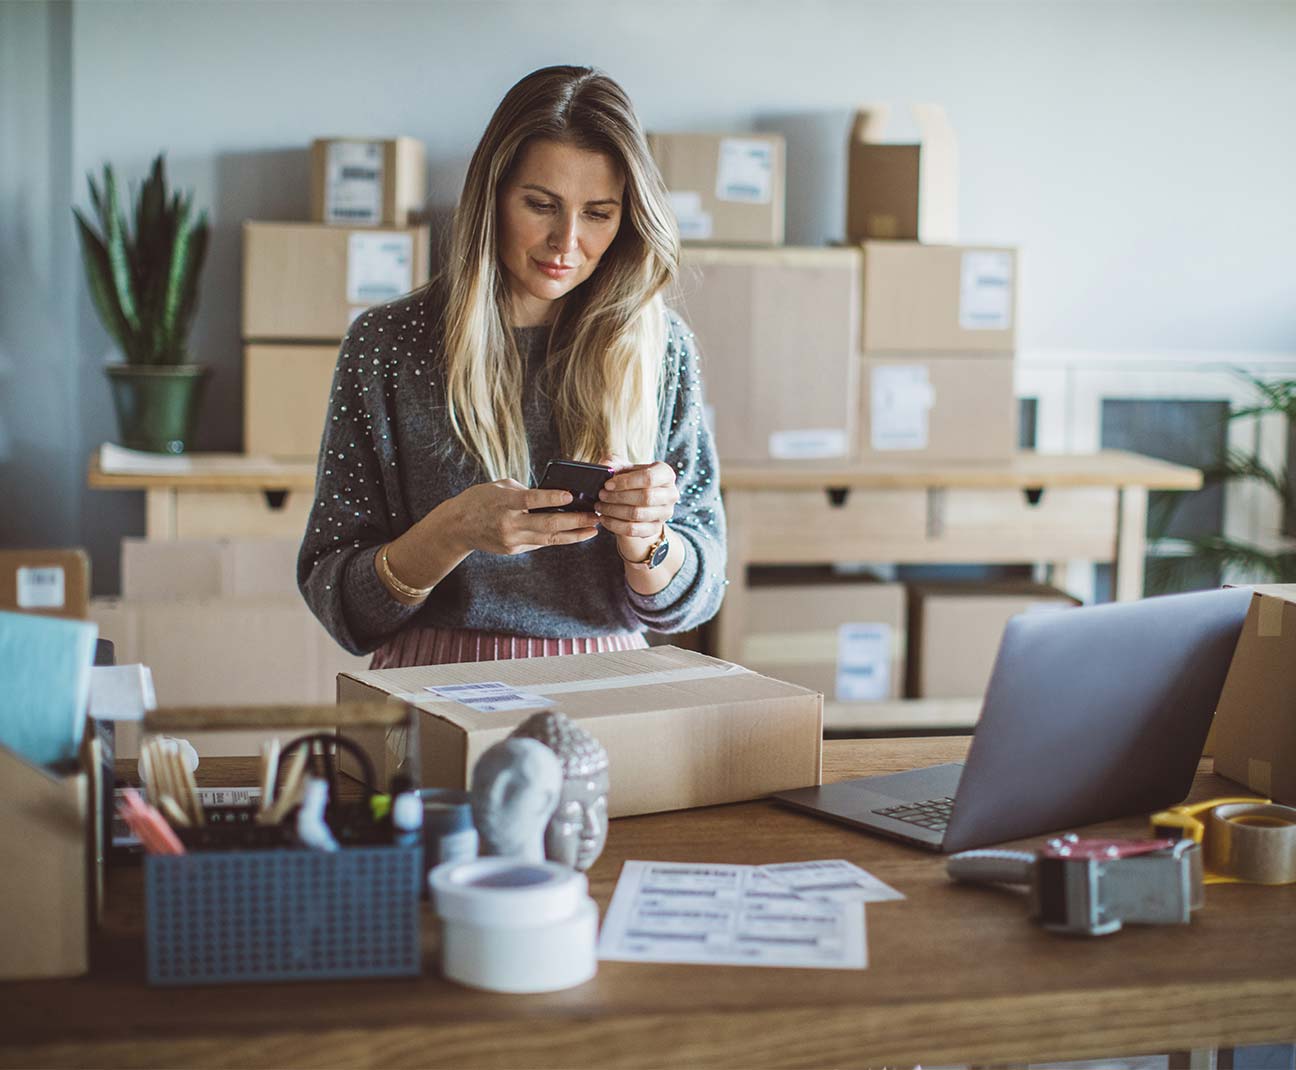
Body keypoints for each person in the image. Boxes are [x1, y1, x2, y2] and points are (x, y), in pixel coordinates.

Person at [298, 65, 726, 667]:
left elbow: (697, 598)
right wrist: (451, 532)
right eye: (540, 204)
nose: (566, 241)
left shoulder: (661, 349)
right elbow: (340, 603)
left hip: (607, 685)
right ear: (492, 196)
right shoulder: (388, 345)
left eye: (598, 213)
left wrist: (648, 540)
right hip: (433, 686)